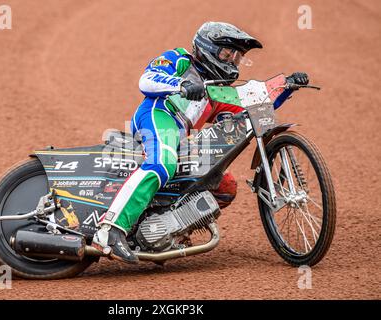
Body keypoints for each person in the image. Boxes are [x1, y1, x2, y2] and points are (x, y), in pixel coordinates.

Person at [92, 21, 309, 263]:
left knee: (223, 185)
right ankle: (110, 230)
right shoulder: (180, 59)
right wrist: (181, 84)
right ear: (207, 47)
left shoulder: (215, 94)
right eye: (227, 53)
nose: (232, 61)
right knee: (163, 163)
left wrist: (287, 85)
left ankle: (166, 228)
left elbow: (255, 104)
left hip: (178, 134)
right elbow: (146, 80)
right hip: (157, 114)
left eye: (237, 57)